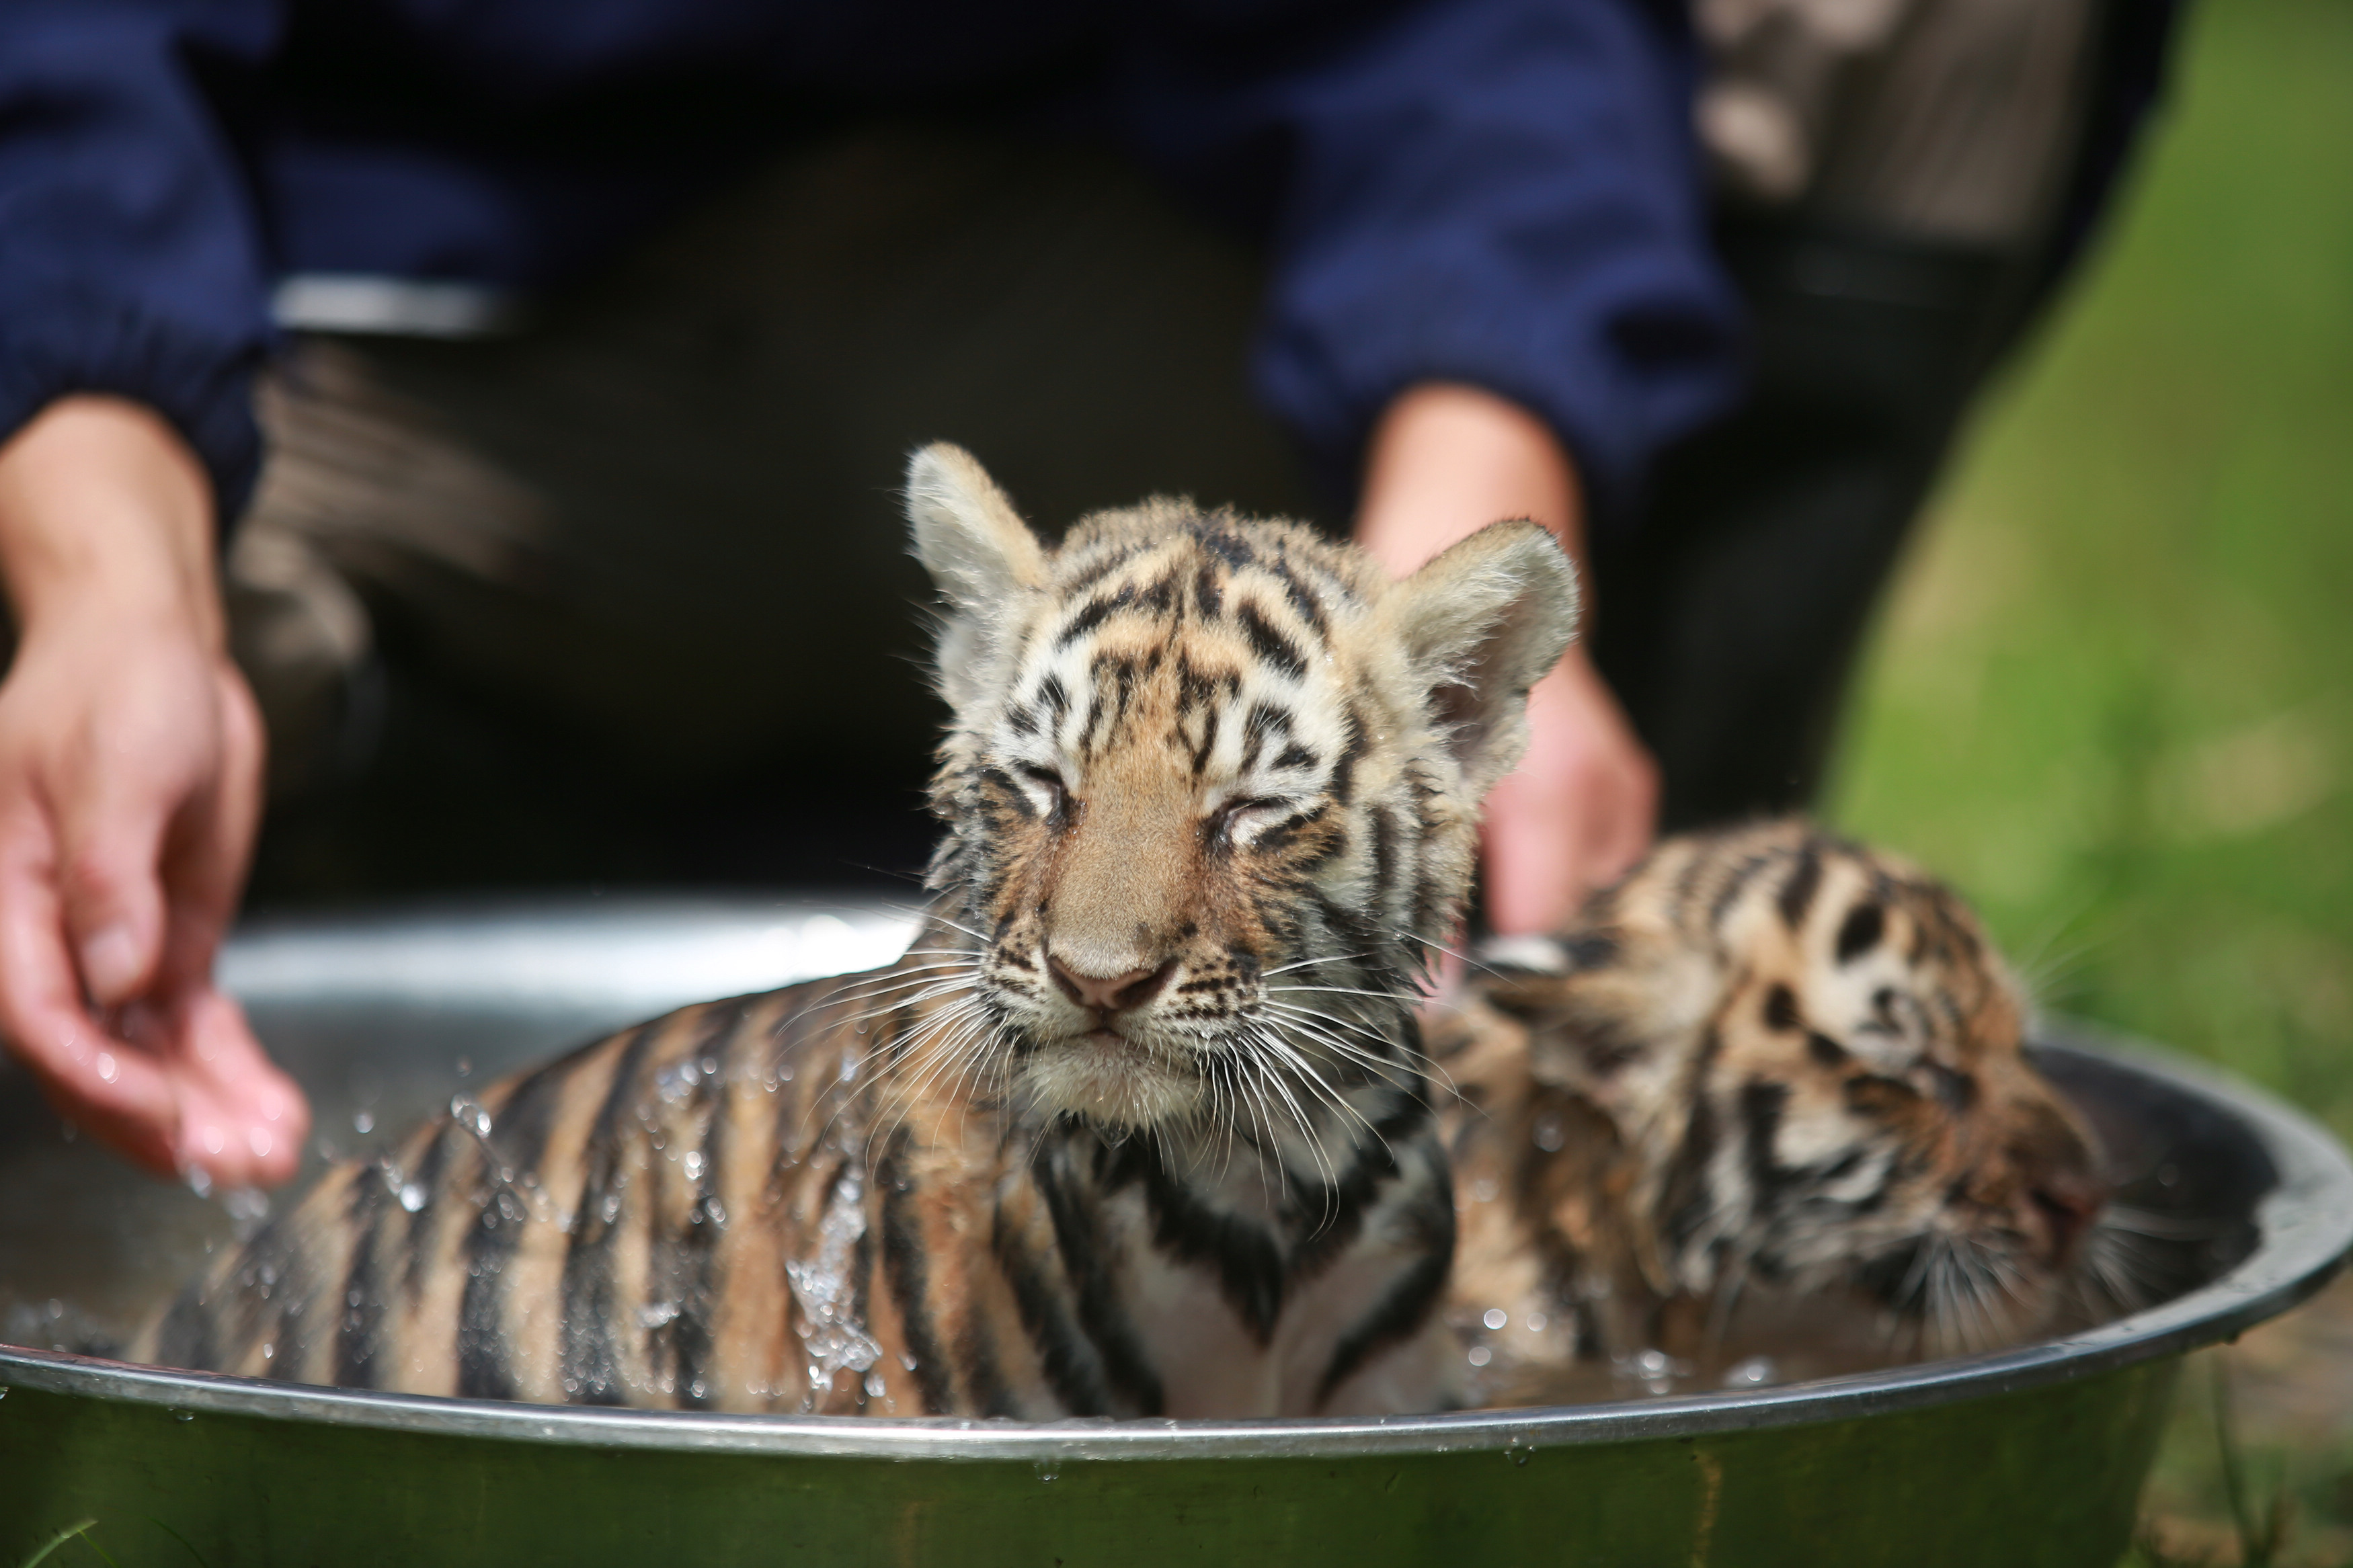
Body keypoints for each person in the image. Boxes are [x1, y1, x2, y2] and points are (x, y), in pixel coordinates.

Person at [0, 0, 2177, 1188]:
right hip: (351, 301)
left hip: (1073, 248)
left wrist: (1459, 612)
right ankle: (384, 846)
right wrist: (103, 542)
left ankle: (1549, 1046)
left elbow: (1483, 43)